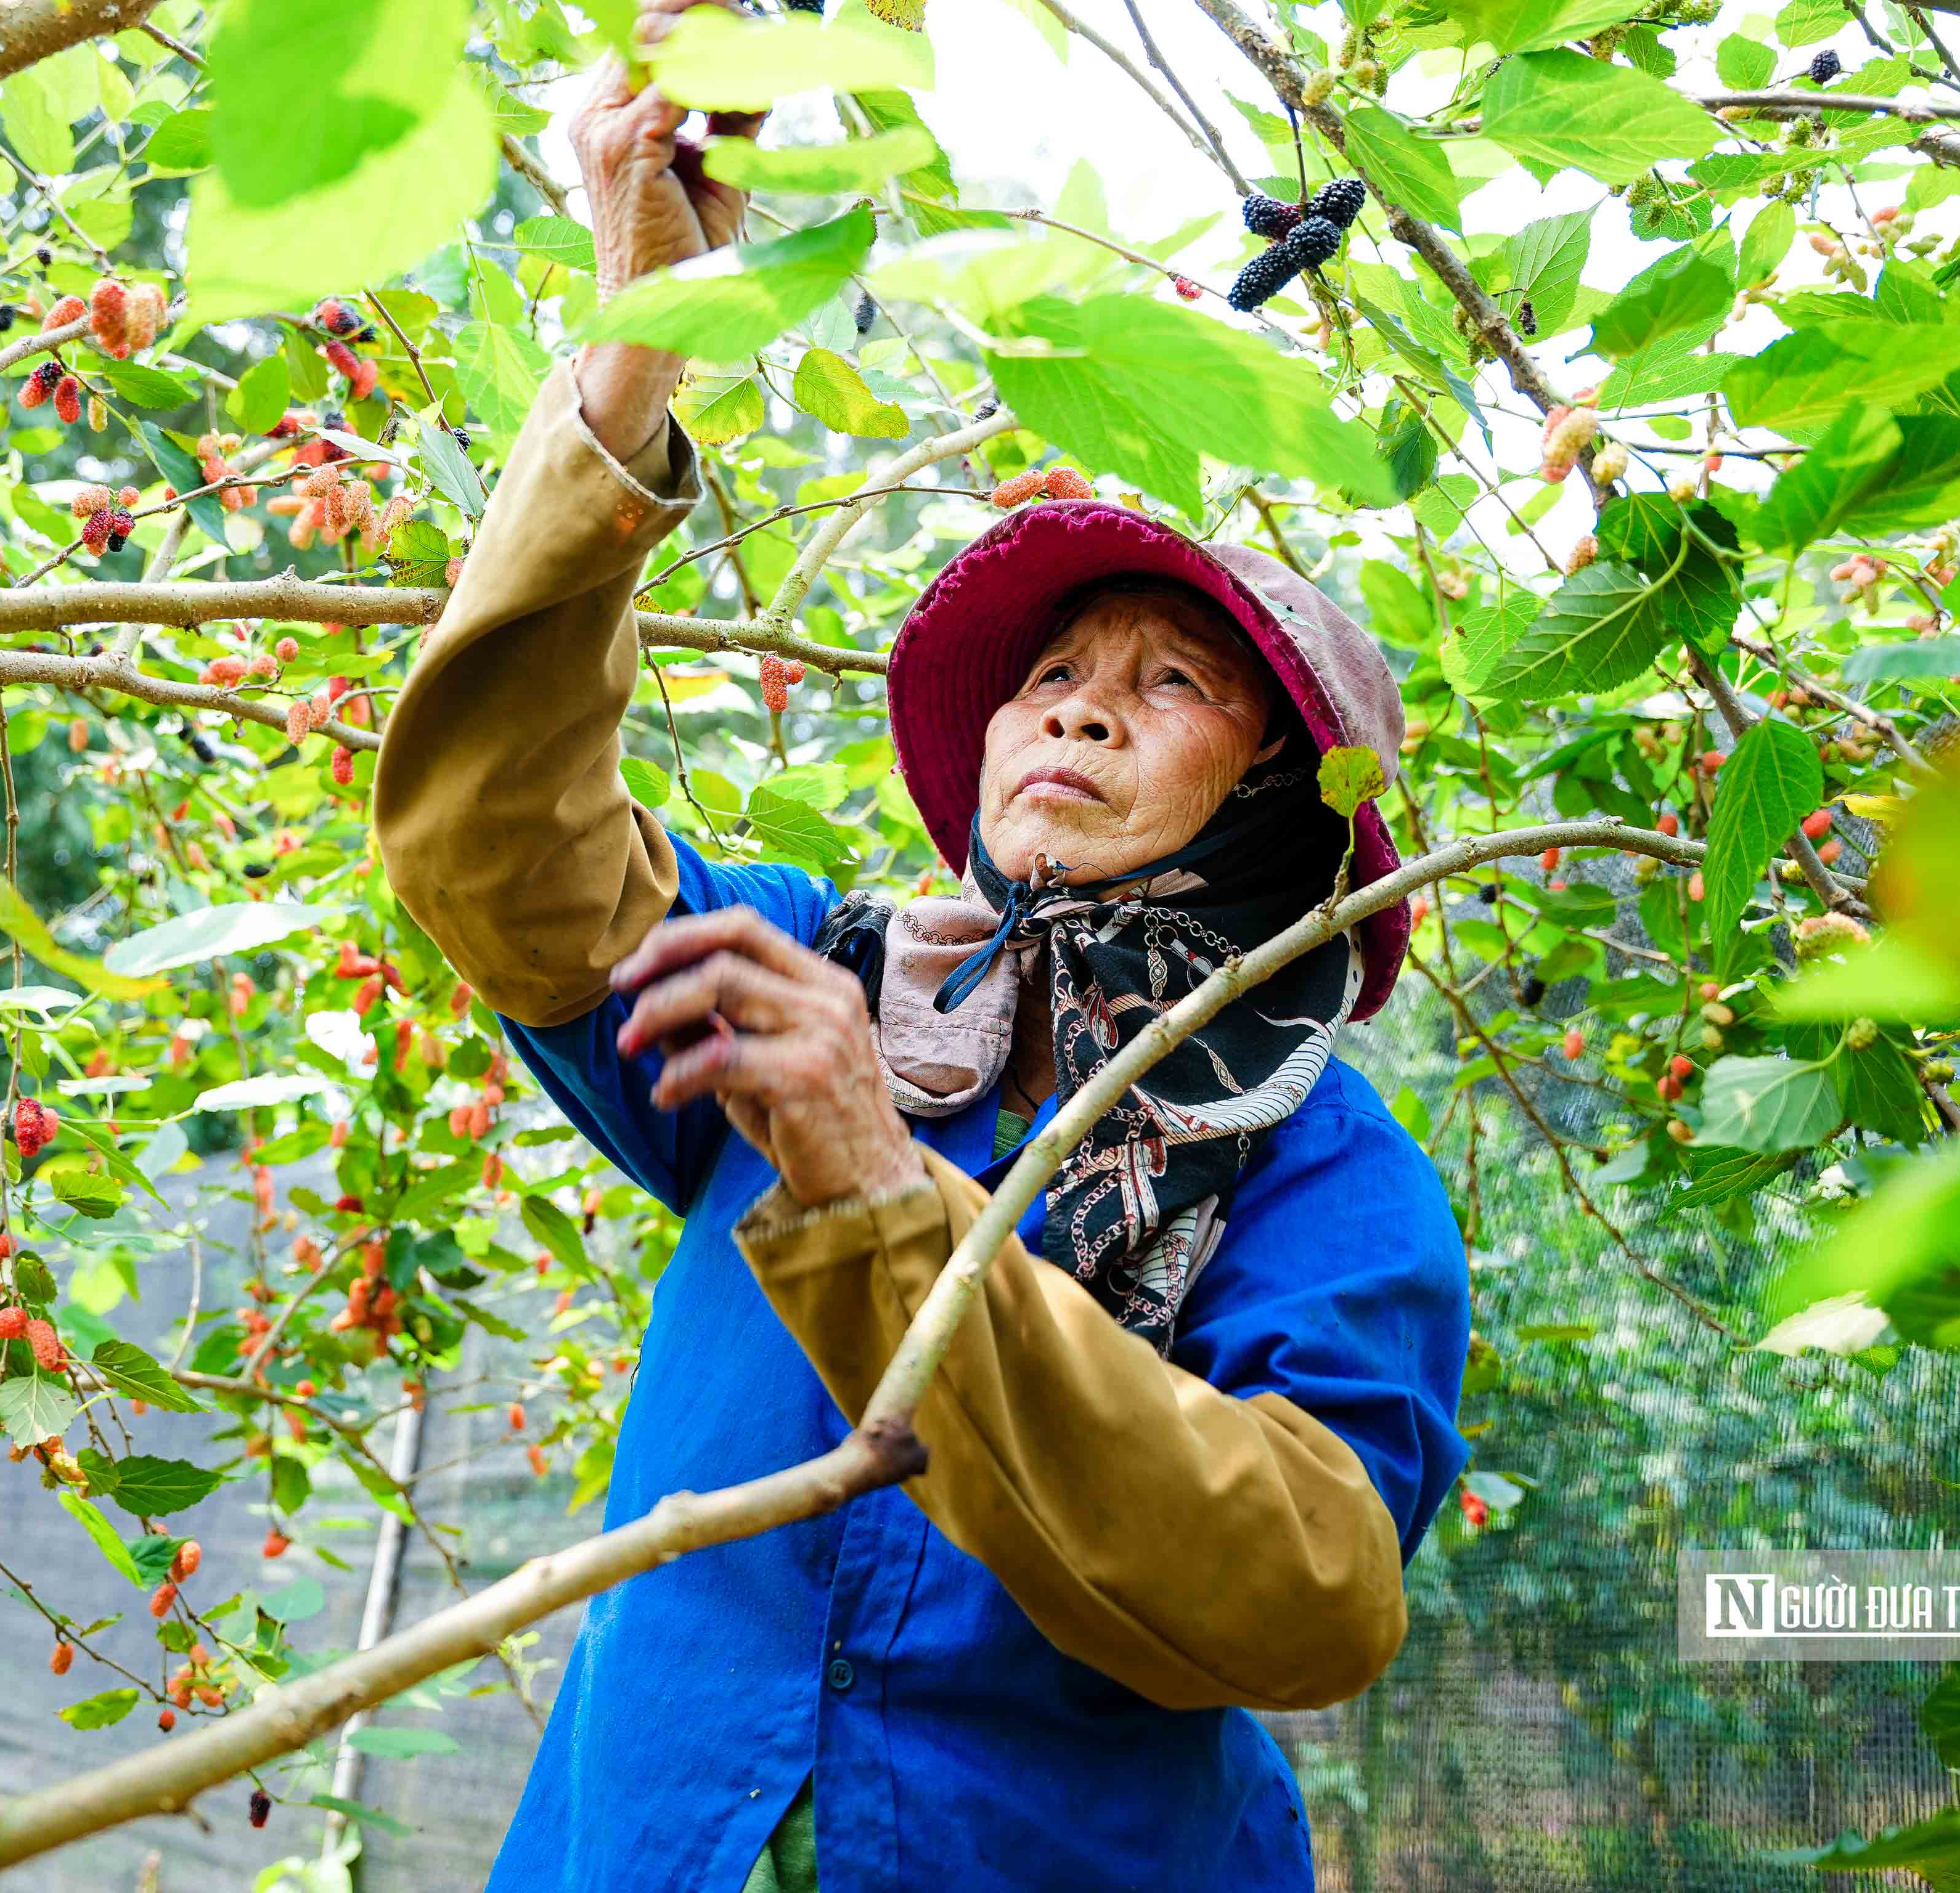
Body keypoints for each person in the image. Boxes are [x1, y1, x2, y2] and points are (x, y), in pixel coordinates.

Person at [374, 16, 1470, 1889]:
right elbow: (492, 848)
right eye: (1048, 677)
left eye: (1170, 685)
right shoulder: (822, 977)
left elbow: (1309, 1592)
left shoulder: (1326, 1169)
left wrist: (884, 1190)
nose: (1077, 716)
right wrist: (648, 337)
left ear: (1287, 809)